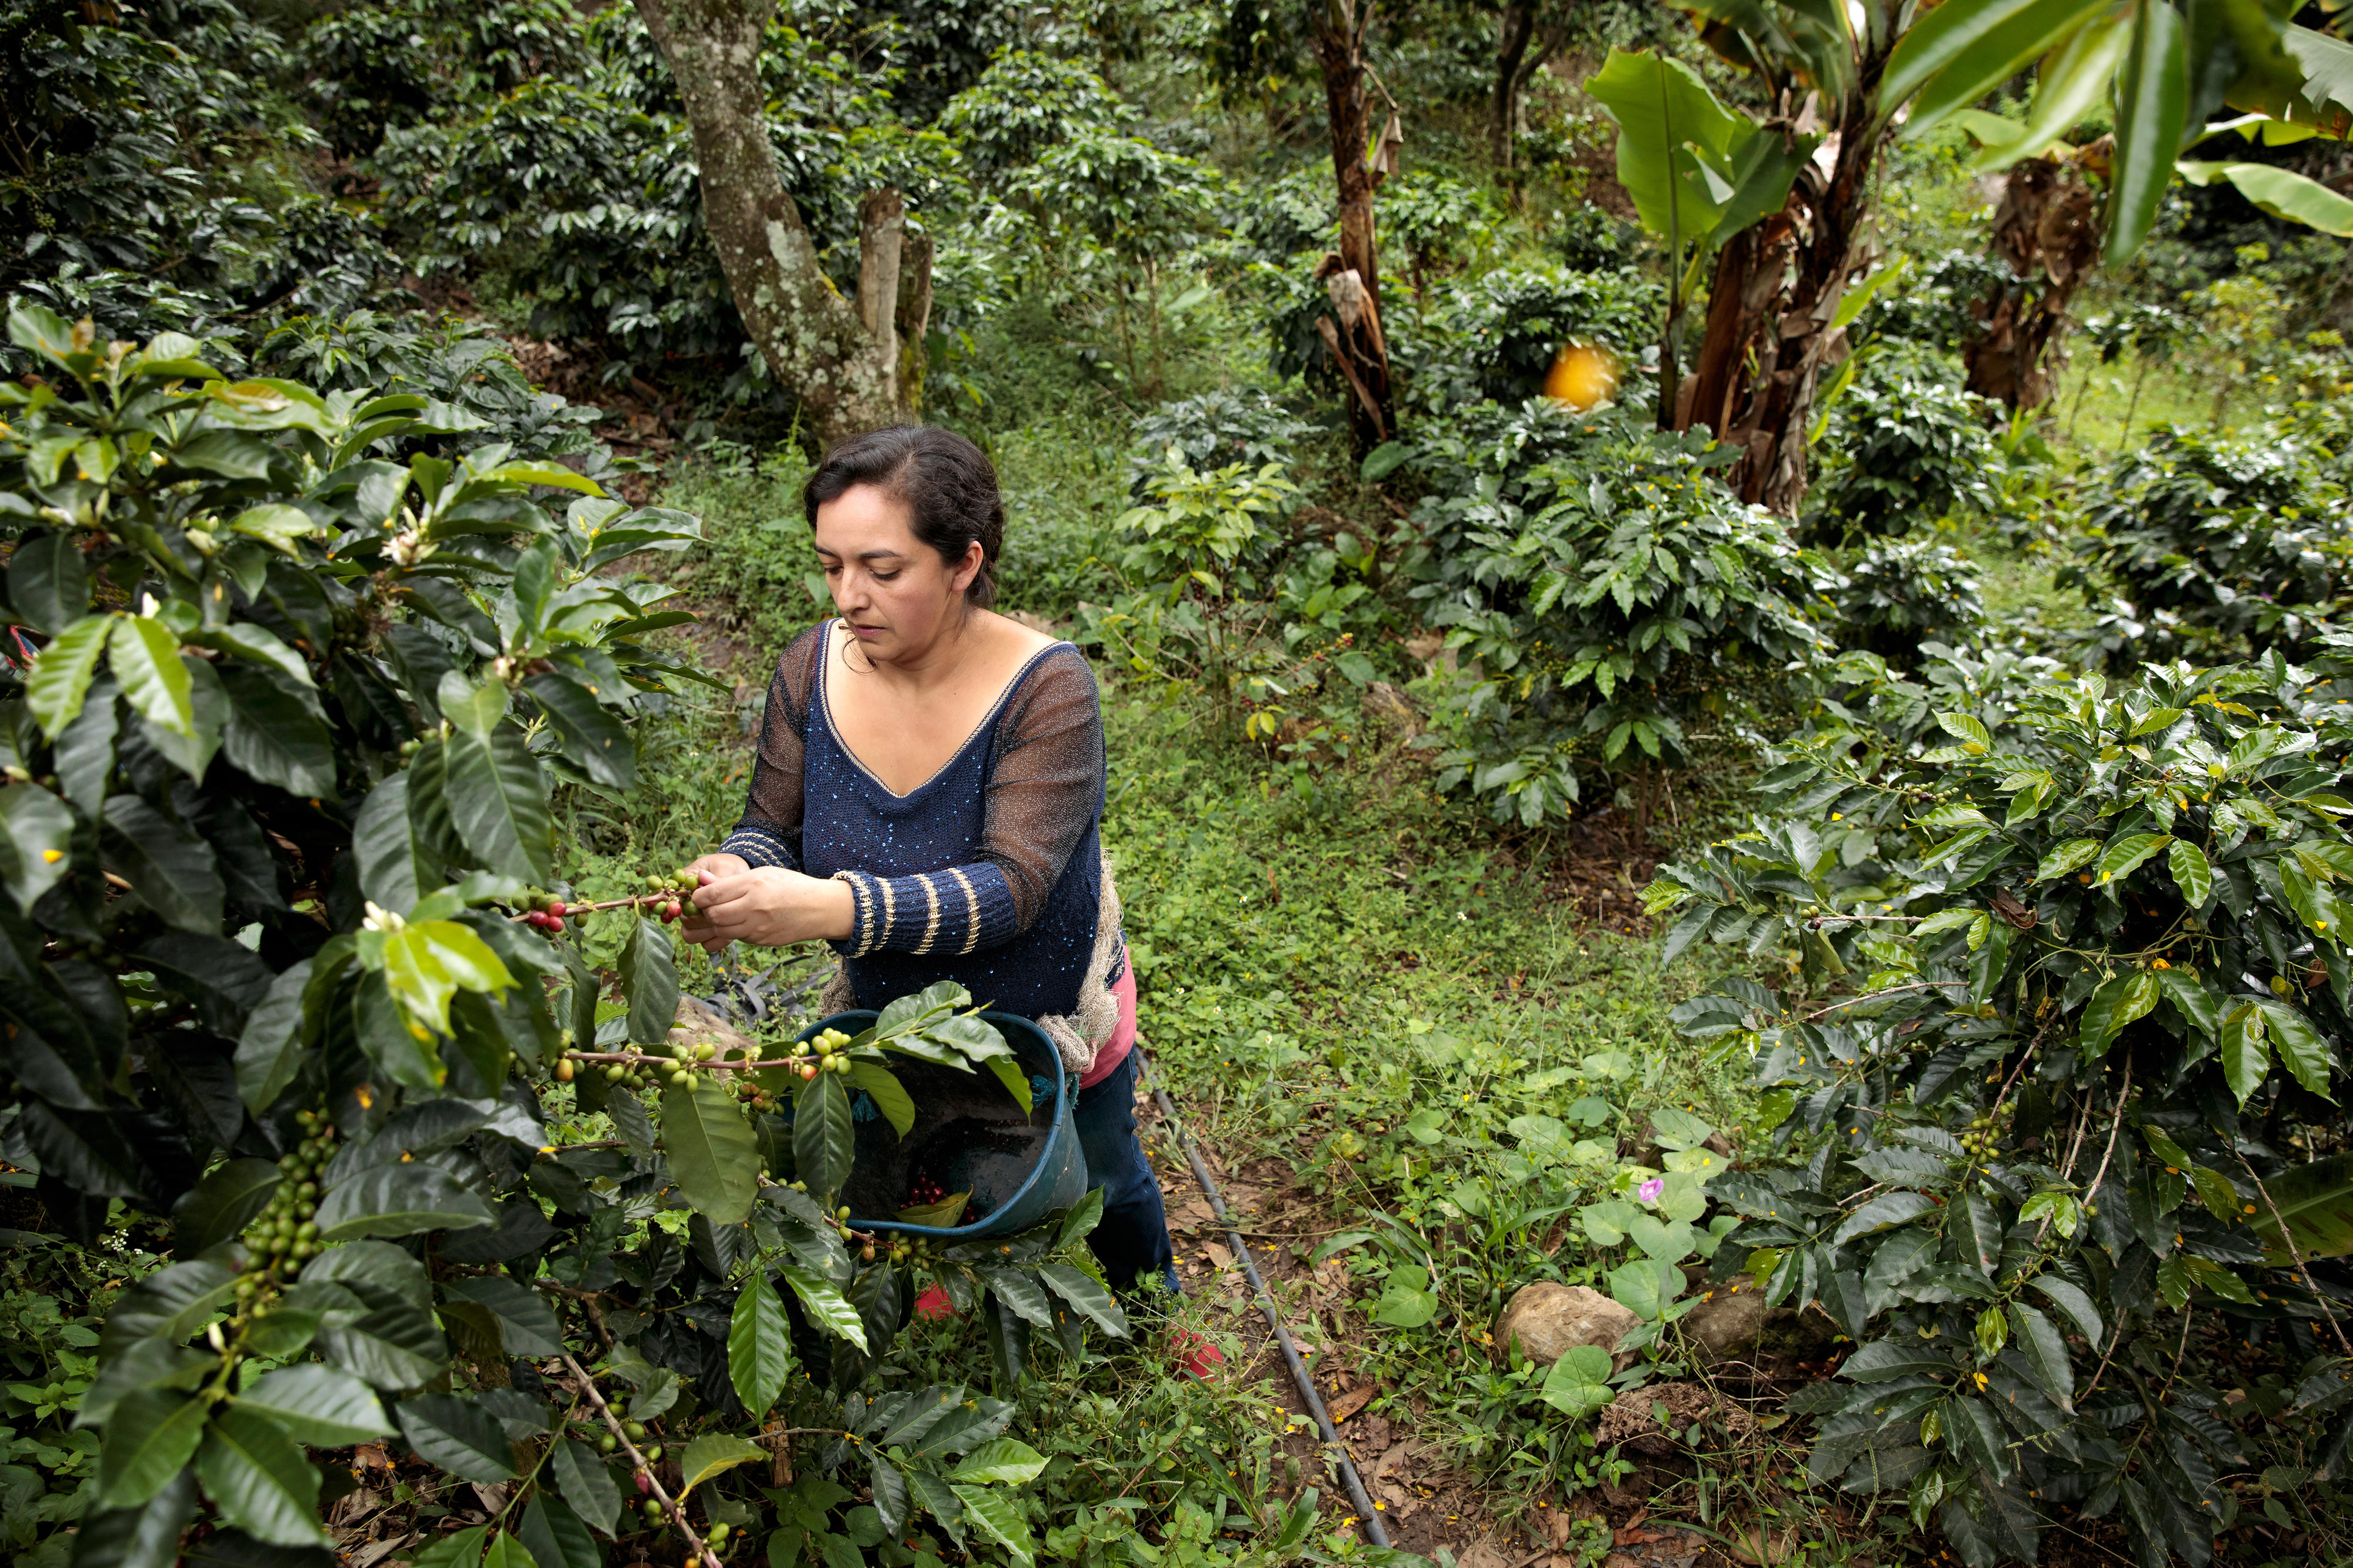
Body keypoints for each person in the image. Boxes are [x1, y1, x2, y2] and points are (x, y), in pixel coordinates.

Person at [678, 424, 1187, 1317]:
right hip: (894, 1019)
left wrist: (832, 907)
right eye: (831, 565)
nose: (849, 597)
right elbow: (772, 826)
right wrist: (737, 871)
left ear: (963, 564)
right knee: (924, 1164)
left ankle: (1158, 1311)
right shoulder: (810, 670)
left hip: (1049, 1007)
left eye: (882, 569)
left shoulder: (1047, 690)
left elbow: (1012, 889)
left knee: (1109, 1172)